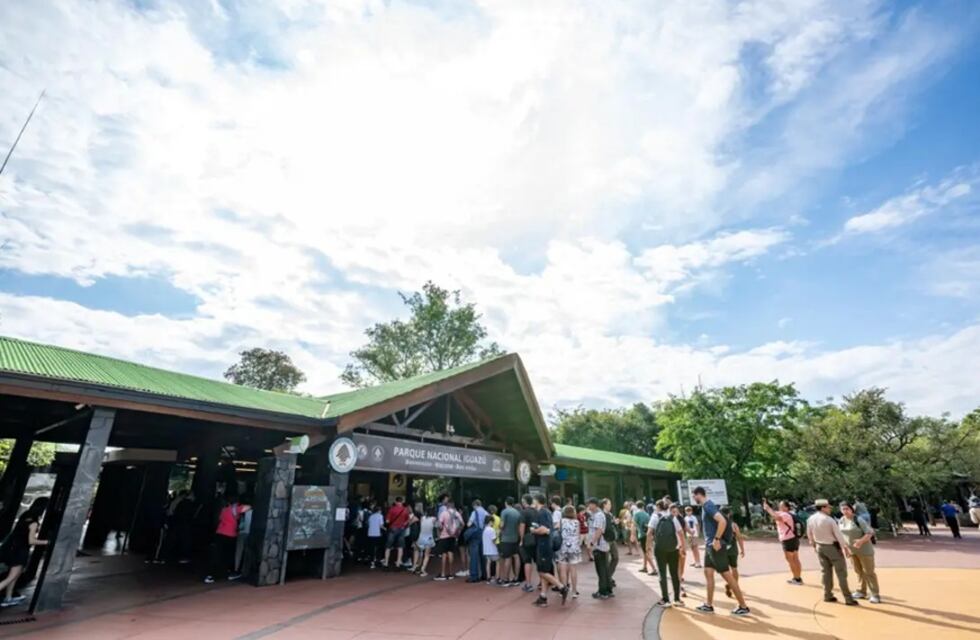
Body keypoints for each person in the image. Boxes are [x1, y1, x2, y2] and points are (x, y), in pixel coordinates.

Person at [691, 487, 749, 616]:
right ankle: (708, 605)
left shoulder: (708, 506)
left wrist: (716, 539)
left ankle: (743, 606)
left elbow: (722, 521)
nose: (693, 498)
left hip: (715, 546)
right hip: (710, 546)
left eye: (694, 496)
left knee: (727, 575)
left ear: (698, 495)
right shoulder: (706, 506)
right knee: (708, 572)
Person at [807, 498, 857, 606]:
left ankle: (827, 595)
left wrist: (814, 545)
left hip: (820, 546)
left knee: (825, 572)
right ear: (823, 508)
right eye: (828, 507)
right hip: (832, 547)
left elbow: (809, 534)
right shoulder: (829, 520)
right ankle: (848, 598)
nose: (830, 509)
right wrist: (845, 548)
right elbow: (838, 536)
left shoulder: (811, 519)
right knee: (841, 573)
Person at [0, 497, 49, 607]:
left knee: (14, 576)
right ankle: (7, 598)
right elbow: (31, 541)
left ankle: (8, 598)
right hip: (20, 551)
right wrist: (47, 542)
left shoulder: (25, 515)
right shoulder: (34, 523)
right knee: (11, 577)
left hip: (12, 548)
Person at [530, 494, 568, 607]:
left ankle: (561, 587)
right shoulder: (547, 512)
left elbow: (545, 530)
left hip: (543, 545)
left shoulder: (541, 513)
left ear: (537, 501)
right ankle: (543, 596)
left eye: (534, 501)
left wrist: (533, 531)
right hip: (546, 544)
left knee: (542, 571)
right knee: (544, 570)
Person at [839, 502, 880, 604]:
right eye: (843, 509)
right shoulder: (841, 520)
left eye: (847, 509)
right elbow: (842, 536)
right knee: (858, 571)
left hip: (864, 551)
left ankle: (875, 594)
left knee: (869, 572)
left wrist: (861, 541)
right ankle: (861, 591)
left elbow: (870, 532)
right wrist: (845, 549)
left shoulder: (858, 519)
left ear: (851, 509)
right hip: (852, 551)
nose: (845, 511)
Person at [204, 494, 251, 584]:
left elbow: (220, 519)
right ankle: (230, 573)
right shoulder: (236, 509)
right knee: (229, 555)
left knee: (218, 554)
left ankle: (211, 575)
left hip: (220, 533)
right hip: (230, 535)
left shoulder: (224, 510)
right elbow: (247, 507)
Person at [650, 499, 684, 607]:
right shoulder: (673, 518)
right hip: (673, 548)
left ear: (658, 507)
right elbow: (681, 533)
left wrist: (647, 547)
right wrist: (682, 547)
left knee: (662, 574)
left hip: (660, 549)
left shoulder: (655, 517)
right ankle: (677, 599)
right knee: (674, 573)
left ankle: (665, 600)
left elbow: (649, 533)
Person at [763, 498, 803, 585]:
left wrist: (768, 508)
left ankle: (796, 578)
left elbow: (776, 517)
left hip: (787, 539)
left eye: (781, 505)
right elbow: (774, 513)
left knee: (791, 560)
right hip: (793, 538)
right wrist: (768, 507)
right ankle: (798, 578)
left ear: (786, 507)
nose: (779, 507)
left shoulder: (785, 515)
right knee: (795, 559)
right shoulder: (789, 514)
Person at [587, 498, 613, 599]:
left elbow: (598, 530)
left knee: (601, 569)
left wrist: (592, 542)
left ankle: (603, 591)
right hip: (603, 545)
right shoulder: (599, 514)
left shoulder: (598, 515)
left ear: (594, 504)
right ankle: (608, 589)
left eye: (590, 504)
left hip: (599, 546)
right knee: (604, 568)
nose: (589, 506)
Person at [720, 506, 745, 600]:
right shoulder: (733, 525)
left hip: (722, 550)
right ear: (729, 513)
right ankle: (734, 586)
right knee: (734, 568)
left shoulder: (719, 524)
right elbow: (739, 537)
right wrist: (742, 549)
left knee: (724, 570)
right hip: (733, 549)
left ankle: (730, 584)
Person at [557, 505, 582, 598]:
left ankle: (564, 589)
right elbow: (578, 535)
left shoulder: (562, 521)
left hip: (563, 547)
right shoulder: (577, 522)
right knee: (573, 570)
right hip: (574, 548)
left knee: (563, 569)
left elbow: (558, 531)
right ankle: (574, 591)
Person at [434, 500, 462, 581]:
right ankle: (451, 573)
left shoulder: (444, 513)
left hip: (444, 536)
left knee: (443, 554)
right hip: (453, 536)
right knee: (450, 552)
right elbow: (462, 523)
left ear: (447, 505)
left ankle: (443, 574)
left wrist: (440, 532)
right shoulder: (457, 513)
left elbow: (439, 525)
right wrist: (457, 532)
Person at [498, 497, 522, 586]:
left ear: (506, 503)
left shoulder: (504, 512)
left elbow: (502, 525)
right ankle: (516, 578)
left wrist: (499, 528)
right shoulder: (517, 512)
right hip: (515, 537)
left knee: (507, 557)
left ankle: (506, 579)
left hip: (506, 538)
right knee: (516, 556)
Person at [383, 496, 410, 570]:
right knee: (400, 547)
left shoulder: (392, 509)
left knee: (388, 546)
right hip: (401, 529)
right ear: (402, 502)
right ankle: (398, 564)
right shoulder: (405, 510)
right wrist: (404, 524)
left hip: (393, 529)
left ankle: (386, 563)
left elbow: (387, 521)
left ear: (395, 502)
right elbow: (408, 520)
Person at [465, 499, 488, 582]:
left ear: (475, 505)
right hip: (483, 533)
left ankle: (474, 576)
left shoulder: (474, 513)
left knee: (474, 555)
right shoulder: (485, 512)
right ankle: (484, 574)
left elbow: (469, 524)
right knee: (483, 555)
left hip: (475, 535)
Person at [519, 494, 538, 593]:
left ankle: (528, 584)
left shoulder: (524, 512)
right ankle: (542, 582)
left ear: (525, 501)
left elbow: (522, 526)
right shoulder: (537, 511)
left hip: (527, 539)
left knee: (527, 561)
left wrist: (521, 539)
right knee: (538, 561)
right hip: (537, 538)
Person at [601, 499, 620, 589]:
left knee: (615, 558)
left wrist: (615, 523)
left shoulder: (610, 514)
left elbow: (612, 525)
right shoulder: (602, 515)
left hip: (612, 539)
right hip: (606, 539)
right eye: (609, 504)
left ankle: (608, 576)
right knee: (606, 560)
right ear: (604, 505)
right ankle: (607, 579)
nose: (610, 506)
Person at [414, 506, 436, 576]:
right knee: (427, 555)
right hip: (429, 538)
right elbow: (438, 526)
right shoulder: (434, 519)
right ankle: (423, 569)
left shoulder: (422, 518)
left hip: (421, 537)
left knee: (420, 553)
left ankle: (417, 566)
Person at [634, 502, 652, 574]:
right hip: (648, 534)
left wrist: (633, 534)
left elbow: (634, 524)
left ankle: (653, 568)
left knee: (645, 552)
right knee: (646, 551)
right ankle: (645, 567)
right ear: (643, 506)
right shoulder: (647, 514)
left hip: (641, 534)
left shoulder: (636, 514)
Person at [366, 502, 385, 569]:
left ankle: (372, 561)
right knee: (378, 547)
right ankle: (378, 559)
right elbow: (381, 525)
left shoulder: (371, 516)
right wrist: (385, 529)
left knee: (371, 547)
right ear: (379, 510)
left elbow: (368, 524)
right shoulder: (380, 516)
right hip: (377, 534)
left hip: (370, 533)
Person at [482, 518, 499, 584]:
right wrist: (497, 535)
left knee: (488, 563)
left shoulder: (484, 529)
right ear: (490, 522)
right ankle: (497, 578)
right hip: (493, 549)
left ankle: (488, 578)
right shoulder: (492, 530)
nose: (493, 523)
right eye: (492, 522)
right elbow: (493, 540)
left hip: (486, 549)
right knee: (498, 562)